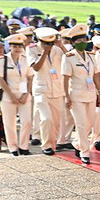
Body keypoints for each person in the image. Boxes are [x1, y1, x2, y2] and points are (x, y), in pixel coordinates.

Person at [61, 24, 99, 164]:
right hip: (76, 94)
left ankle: (77, 144)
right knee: (82, 124)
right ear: (73, 42)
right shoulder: (69, 57)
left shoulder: (91, 56)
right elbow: (65, 78)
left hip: (90, 93)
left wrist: (99, 91)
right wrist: (66, 96)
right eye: (78, 40)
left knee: (90, 123)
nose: (82, 42)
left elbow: (95, 75)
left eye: (84, 39)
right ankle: (85, 151)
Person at [27, 26, 66, 155]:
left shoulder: (57, 49)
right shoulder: (31, 49)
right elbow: (36, 67)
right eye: (46, 43)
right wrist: (44, 52)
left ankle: (52, 144)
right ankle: (46, 145)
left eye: (50, 43)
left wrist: (61, 46)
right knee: (46, 118)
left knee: (55, 121)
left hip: (57, 89)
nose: (49, 45)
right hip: (41, 89)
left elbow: (71, 59)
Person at [0, 34, 34, 156]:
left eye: (19, 46)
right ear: (10, 47)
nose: (17, 48)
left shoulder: (25, 59)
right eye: (14, 46)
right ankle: (13, 147)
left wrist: (26, 93)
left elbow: (30, 77)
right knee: (9, 123)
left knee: (26, 121)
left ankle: (24, 146)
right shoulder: (3, 60)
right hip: (8, 96)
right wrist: (11, 95)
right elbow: (0, 78)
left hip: (24, 95)